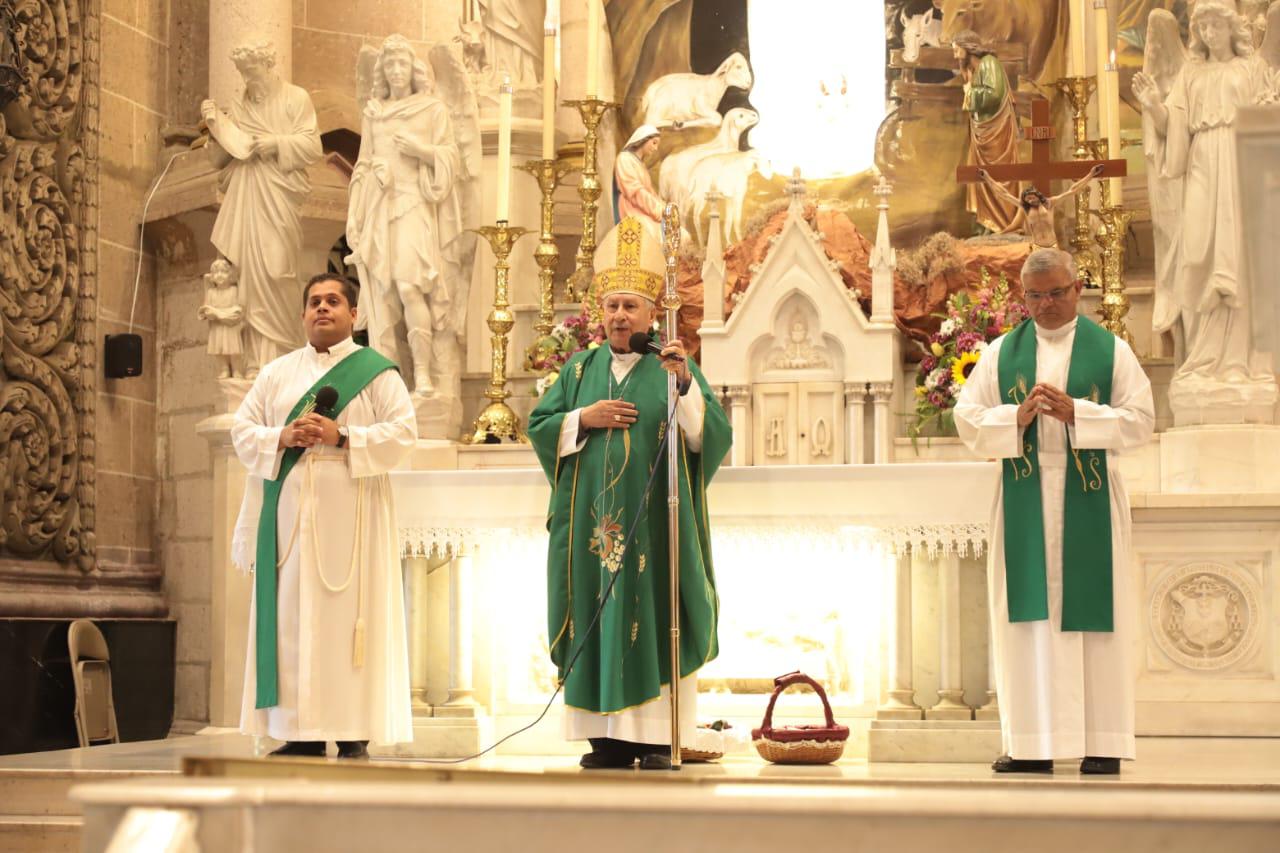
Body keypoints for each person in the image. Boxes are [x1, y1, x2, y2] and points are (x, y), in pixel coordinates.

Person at [527, 217, 732, 770]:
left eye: (631, 307)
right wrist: (583, 418)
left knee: (653, 610)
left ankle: (658, 736)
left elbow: (708, 435)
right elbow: (540, 427)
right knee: (598, 611)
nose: (620, 316)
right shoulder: (578, 369)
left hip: (657, 528)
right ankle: (606, 741)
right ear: (601, 313)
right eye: (613, 306)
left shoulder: (672, 369)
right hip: (594, 532)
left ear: (650, 314)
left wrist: (685, 386)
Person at [954, 248, 1154, 775]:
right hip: (1025, 497)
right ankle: (1031, 744)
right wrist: (1012, 418)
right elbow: (967, 418)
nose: (1045, 305)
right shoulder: (1001, 353)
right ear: (1024, 297)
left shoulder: (1112, 351)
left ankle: (1103, 742)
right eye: (1035, 295)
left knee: (1095, 623)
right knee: (1027, 622)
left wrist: (1079, 414)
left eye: (1056, 292)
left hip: (1087, 495)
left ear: (1077, 287)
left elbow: (1141, 420)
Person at [231, 273, 417, 759]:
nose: (322, 309)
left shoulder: (378, 373)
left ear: (354, 315)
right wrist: (283, 437)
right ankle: (300, 732)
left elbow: (403, 434)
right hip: (290, 514)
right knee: (292, 619)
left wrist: (344, 436)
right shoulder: (276, 373)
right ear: (303, 314)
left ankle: (353, 729)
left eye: (333, 301)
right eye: (314, 302)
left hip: (353, 511)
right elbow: (242, 430)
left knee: (352, 619)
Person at [346, 35, 467, 400]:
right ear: (382, 72)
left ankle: (425, 377)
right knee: (382, 297)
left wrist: (422, 150)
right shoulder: (374, 113)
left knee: (411, 286)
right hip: (381, 209)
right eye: (389, 65)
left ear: (413, 70)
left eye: (402, 64)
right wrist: (361, 201)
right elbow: (362, 164)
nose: (396, 71)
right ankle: (389, 383)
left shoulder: (432, 110)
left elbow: (452, 159)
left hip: (415, 205)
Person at [202, 42, 323, 377]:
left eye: (252, 71)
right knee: (249, 277)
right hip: (247, 194)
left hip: (278, 196)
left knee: (276, 270)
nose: (247, 79)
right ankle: (255, 363)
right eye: (242, 73)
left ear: (268, 65)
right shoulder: (239, 105)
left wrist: (275, 144)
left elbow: (313, 146)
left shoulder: (295, 98)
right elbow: (219, 159)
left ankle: (283, 360)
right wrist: (216, 127)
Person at [952, 30, 1020, 234]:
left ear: (968, 47)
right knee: (981, 176)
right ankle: (985, 224)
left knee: (998, 175)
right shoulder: (974, 68)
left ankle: (1001, 224)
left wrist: (970, 92)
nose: (955, 53)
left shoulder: (989, 62)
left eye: (957, 48)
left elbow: (994, 94)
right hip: (982, 131)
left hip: (996, 132)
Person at [978, 164, 1104, 251]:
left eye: (1032, 197)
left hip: (1052, 245)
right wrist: (987, 177)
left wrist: (1091, 174)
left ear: (1038, 195)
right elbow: (1003, 194)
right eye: (1028, 199)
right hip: (1037, 246)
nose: (1030, 200)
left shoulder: (1049, 203)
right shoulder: (1025, 207)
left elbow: (1072, 190)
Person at [613, 125, 665, 232]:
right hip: (631, 209)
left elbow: (650, 192)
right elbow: (636, 192)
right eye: (654, 143)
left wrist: (663, 206)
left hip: (644, 208)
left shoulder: (640, 164)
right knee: (656, 234)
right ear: (643, 140)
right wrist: (658, 210)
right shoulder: (625, 159)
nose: (655, 149)